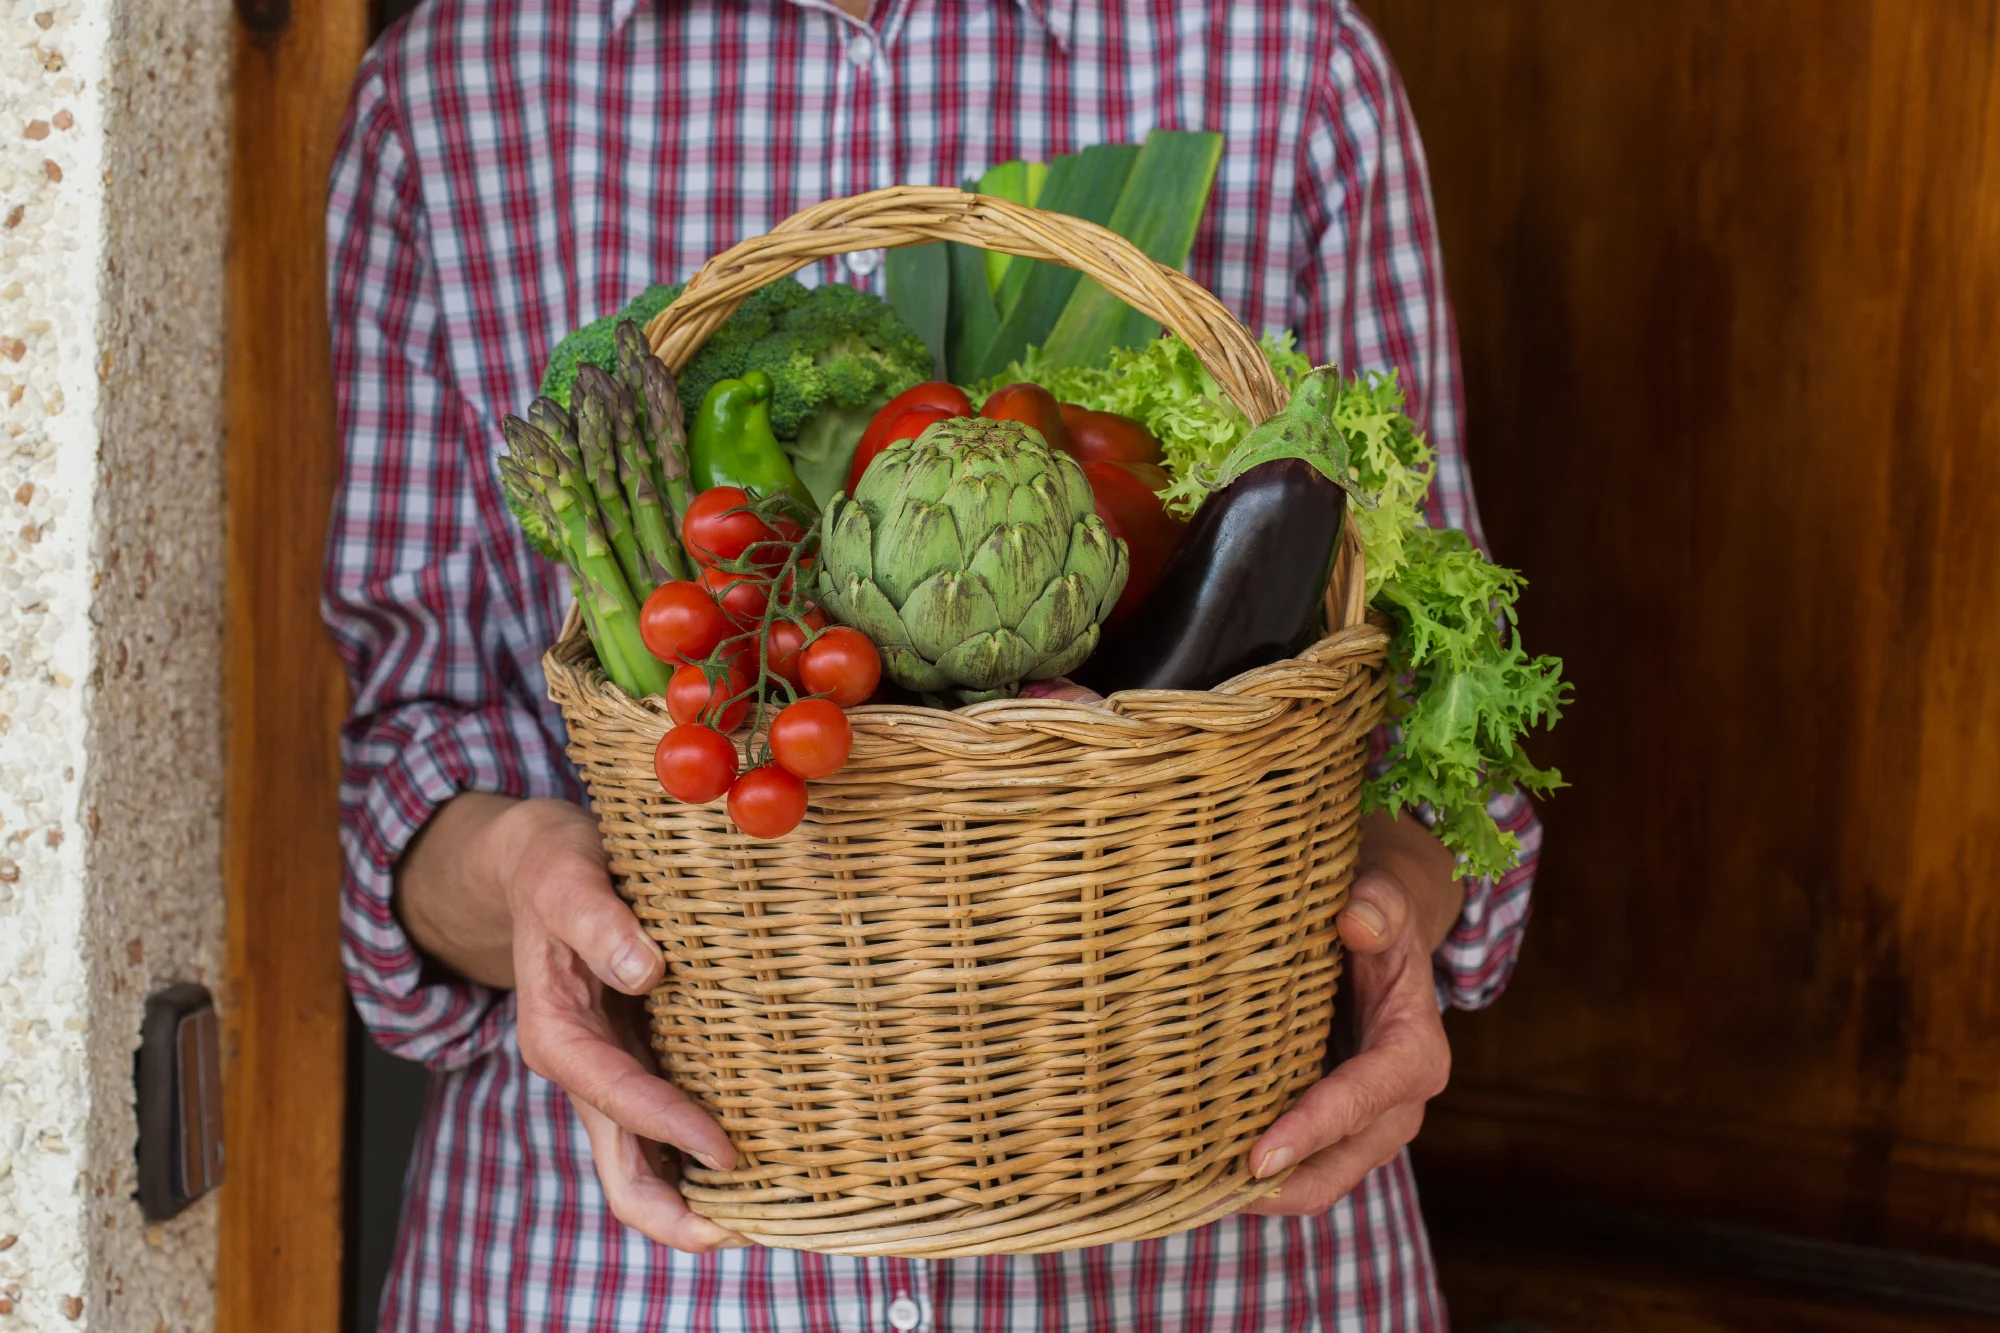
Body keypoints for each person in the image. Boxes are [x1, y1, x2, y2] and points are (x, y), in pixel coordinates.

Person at [327, 0, 1540, 1328]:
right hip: (621, 1273)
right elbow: (401, 757)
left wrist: (1404, 905)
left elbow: (1442, 701)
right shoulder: (448, 94)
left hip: (1214, 1245)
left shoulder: (1290, 62)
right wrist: (514, 873)